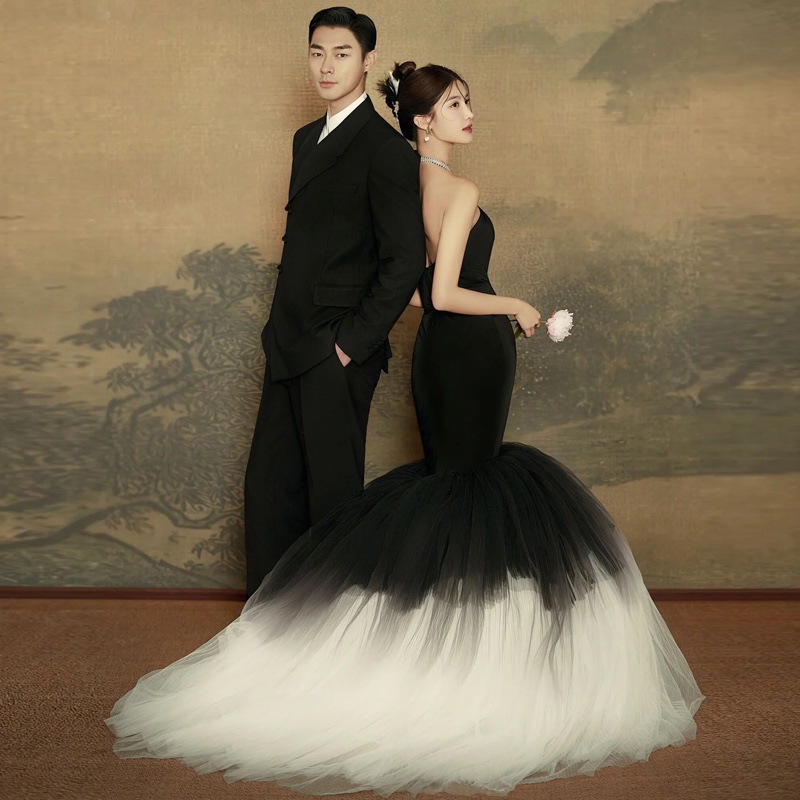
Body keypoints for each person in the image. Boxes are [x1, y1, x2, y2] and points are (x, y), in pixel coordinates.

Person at [105, 61, 705, 795]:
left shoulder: (401, 185)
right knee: (477, 487)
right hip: (471, 350)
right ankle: (482, 667)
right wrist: (517, 306)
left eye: (466, 100)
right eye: (453, 103)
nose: (467, 112)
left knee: (455, 483)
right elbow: (447, 293)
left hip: (438, 356)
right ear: (421, 119)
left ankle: (438, 652)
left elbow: (410, 290)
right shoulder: (459, 189)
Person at [244, 7, 426, 596]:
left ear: (367, 61)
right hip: (287, 338)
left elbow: (404, 262)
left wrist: (349, 346)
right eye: (317, 52)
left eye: (341, 54)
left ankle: (332, 627)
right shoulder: (305, 138)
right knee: (271, 490)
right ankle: (270, 623)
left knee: (331, 496)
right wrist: (277, 331)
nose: (326, 65)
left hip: (335, 346)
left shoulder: (385, 149)